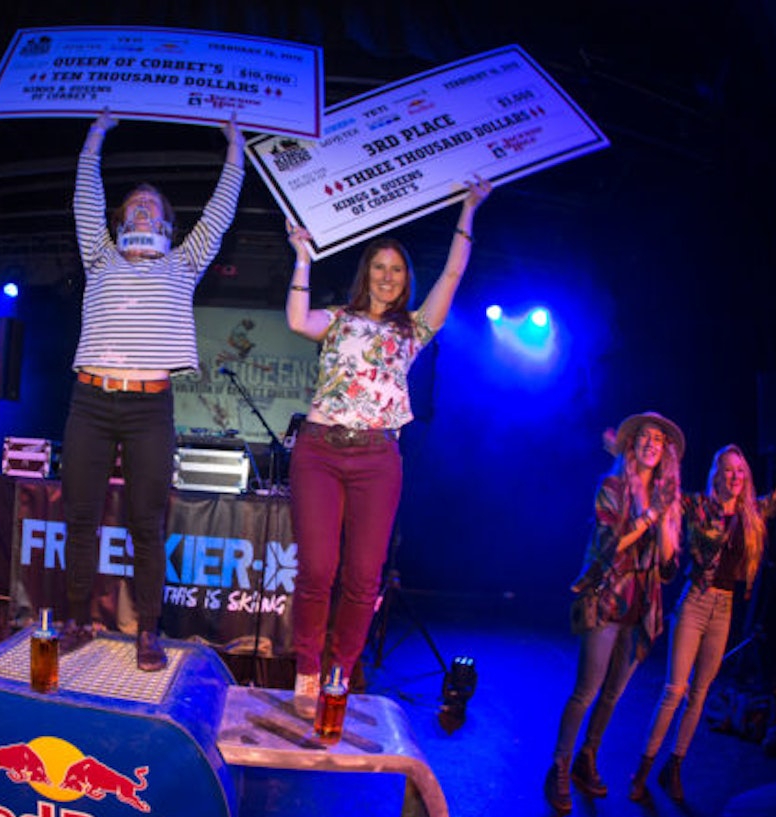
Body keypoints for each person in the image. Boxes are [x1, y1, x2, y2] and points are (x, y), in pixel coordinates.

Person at [283, 176, 491, 713]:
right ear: (367, 273)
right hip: (320, 451)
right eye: (379, 267)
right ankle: (307, 670)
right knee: (317, 569)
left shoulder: (414, 329)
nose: (387, 276)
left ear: (405, 279)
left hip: (377, 458)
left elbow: (452, 274)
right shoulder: (338, 319)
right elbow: (296, 320)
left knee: (362, 577)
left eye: (396, 269)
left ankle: (339, 671)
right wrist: (302, 257)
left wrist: (467, 211)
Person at [60, 108, 245, 672]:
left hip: (149, 407)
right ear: (121, 220)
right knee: (81, 516)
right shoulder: (100, 255)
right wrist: (96, 133)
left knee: (147, 523)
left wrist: (234, 144)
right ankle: (75, 620)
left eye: (152, 204)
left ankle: (148, 630)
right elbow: (85, 197)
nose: (142, 207)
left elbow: (220, 211)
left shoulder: (183, 263)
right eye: (134, 204)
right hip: (91, 401)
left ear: (166, 221)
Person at [629, 421, 776, 801]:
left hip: (723, 610)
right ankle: (642, 770)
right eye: (728, 470)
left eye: (740, 471)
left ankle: (674, 767)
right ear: (717, 475)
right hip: (694, 602)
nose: (735, 476)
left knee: (700, 693)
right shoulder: (698, 506)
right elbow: (665, 495)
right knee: (675, 690)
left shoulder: (752, 513)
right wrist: (649, 460)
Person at [546, 412, 684, 814]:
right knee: (586, 691)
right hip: (608, 601)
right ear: (632, 445)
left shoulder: (664, 498)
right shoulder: (612, 487)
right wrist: (651, 515)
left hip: (641, 609)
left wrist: (666, 522)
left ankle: (587, 758)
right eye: (645, 436)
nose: (652, 443)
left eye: (659, 439)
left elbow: (668, 568)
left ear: (665, 451)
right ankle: (559, 766)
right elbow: (609, 547)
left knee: (613, 694)